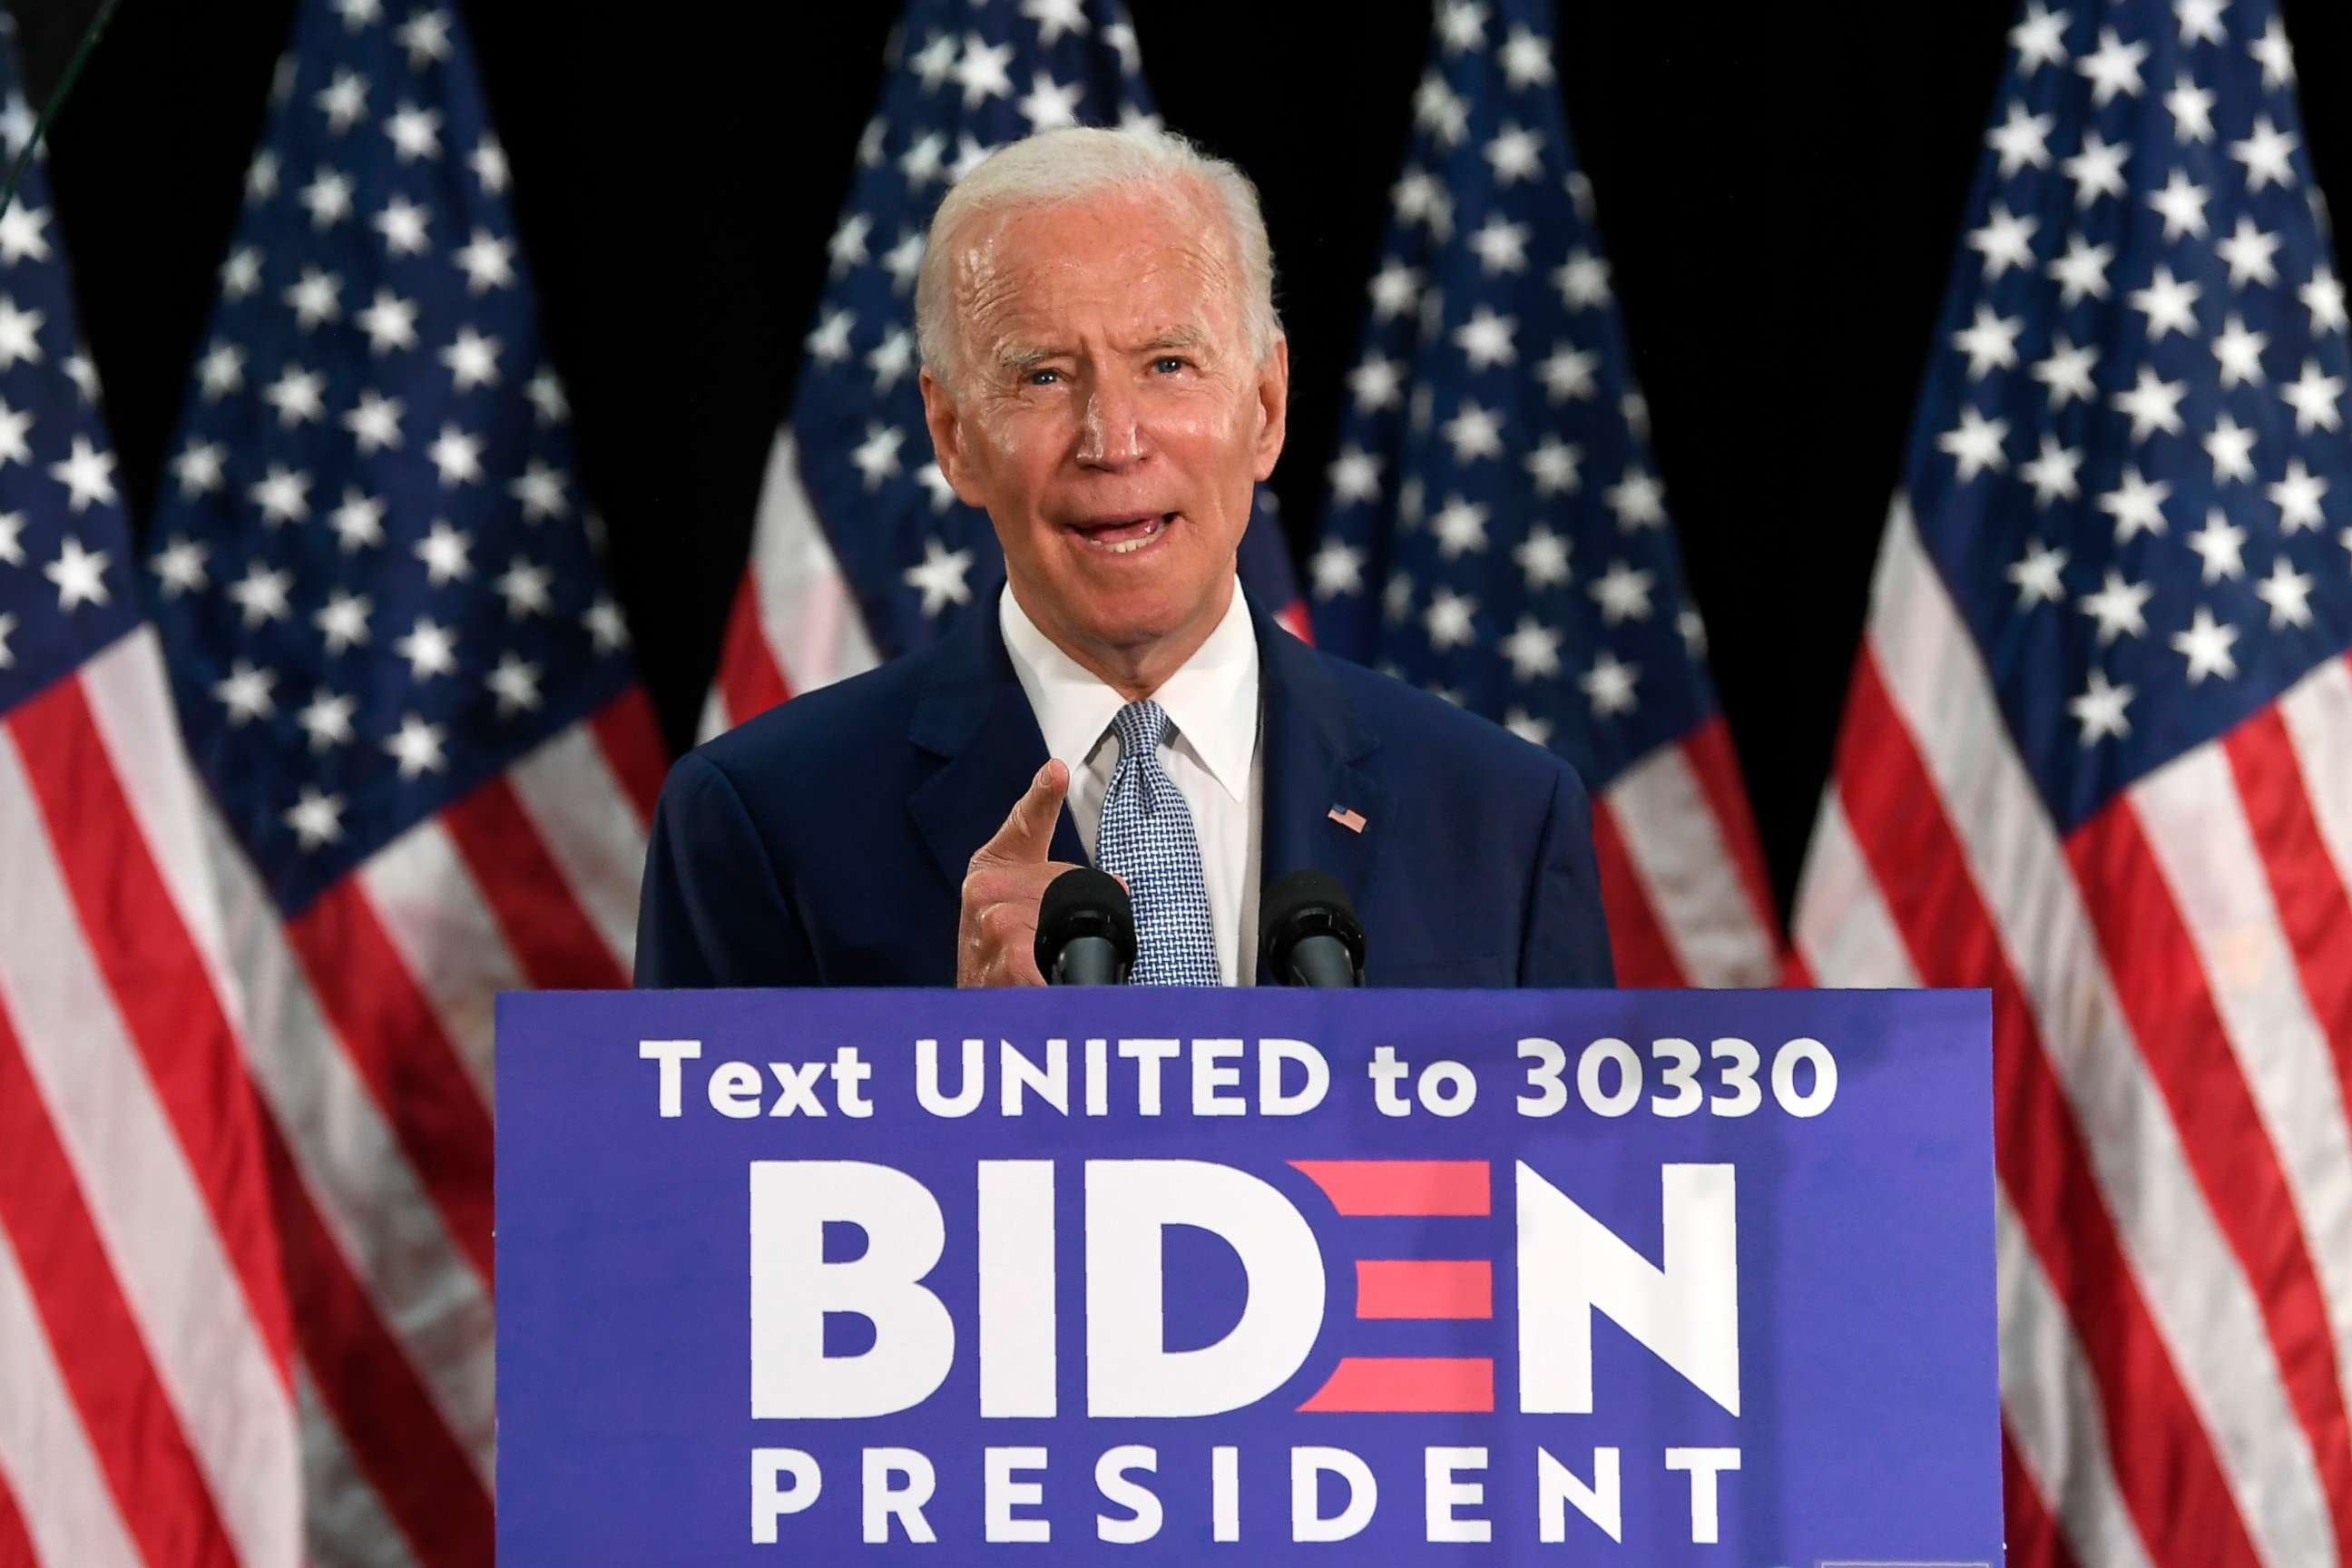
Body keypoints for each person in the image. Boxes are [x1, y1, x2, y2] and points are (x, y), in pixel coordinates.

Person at [635, 126, 1613, 989]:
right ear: (953, 435)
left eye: (1168, 365)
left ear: (1265, 407)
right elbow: (697, 1195)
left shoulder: (1503, 818)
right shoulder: (762, 822)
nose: (1112, 439)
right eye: (1045, 376)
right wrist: (952, 1066)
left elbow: (1581, 1186)